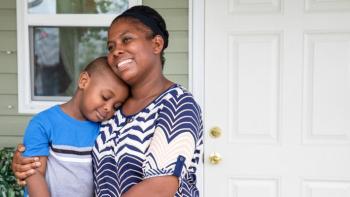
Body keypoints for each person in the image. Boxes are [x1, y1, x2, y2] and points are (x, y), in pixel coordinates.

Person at [12, 5, 203, 197]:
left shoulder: (178, 103)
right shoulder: (113, 112)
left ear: (156, 44)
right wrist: (26, 163)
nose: (116, 51)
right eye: (111, 47)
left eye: (126, 40)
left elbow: (160, 186)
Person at [21, 56, 129, 197]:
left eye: (116, 106)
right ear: (84, 81)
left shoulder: (105, 130)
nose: (109, 109)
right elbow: (34, 174)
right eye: (105, 97)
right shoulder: (43, 123)